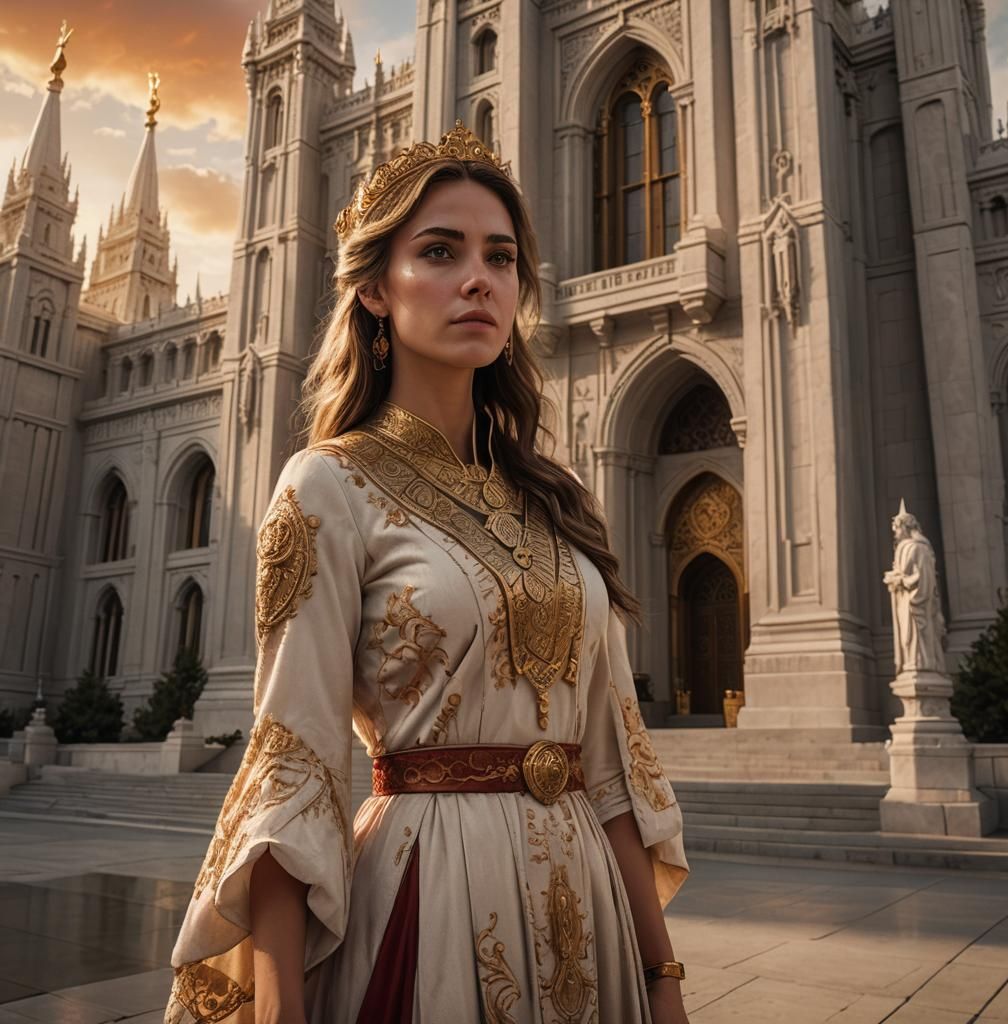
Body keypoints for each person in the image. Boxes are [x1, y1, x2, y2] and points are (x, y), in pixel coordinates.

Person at [165, 119, 689, 1024]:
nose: (479, 279)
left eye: (502, 256)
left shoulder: (554, 497)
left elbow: (611, 769)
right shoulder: (327, 483)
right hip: (430, 898)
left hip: (588, 916)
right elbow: (295, 763)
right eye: (441, 252)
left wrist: (661, 979)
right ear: (375, 287)